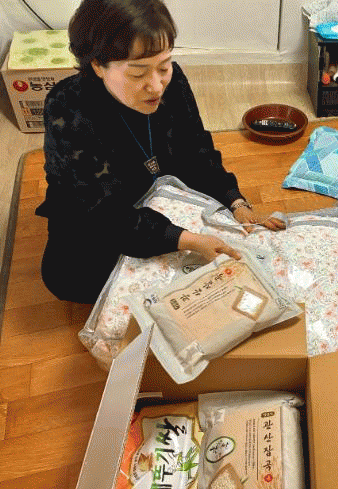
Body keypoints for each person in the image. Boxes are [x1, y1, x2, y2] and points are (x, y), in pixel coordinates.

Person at [35, 0, 285, 304]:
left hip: (160, 191)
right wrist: (188, 240)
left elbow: (198, 148)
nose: (156, 86)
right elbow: (104, 212)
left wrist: (236, 203)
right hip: (95, 209)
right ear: (98, 66)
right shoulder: (67, 108)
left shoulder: (173, 80)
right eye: (137, 74)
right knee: (68, 277)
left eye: (163, 66)